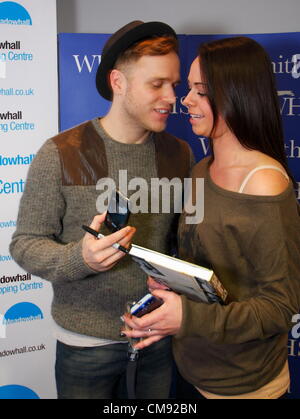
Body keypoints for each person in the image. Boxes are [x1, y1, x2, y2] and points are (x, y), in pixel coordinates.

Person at [9, 20, 194, 399]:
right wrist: (82, 258)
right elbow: (25, 243)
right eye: (156, 84)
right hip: (84, 347)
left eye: (173, 84)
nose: (171, 97)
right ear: (118, 82)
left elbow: (180, 244)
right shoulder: (61, 152)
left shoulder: (180, 154)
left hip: (156, 340)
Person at [122, 36, 300, 399]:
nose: (185, 101)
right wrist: (171, 293)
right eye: (189, 89)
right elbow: (206, 268)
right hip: (191, 369)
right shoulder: (202, 170)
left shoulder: (264, 183)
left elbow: (279, 308)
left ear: (236, 95)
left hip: (243, 386)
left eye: (200, 91)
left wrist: (187, 318)